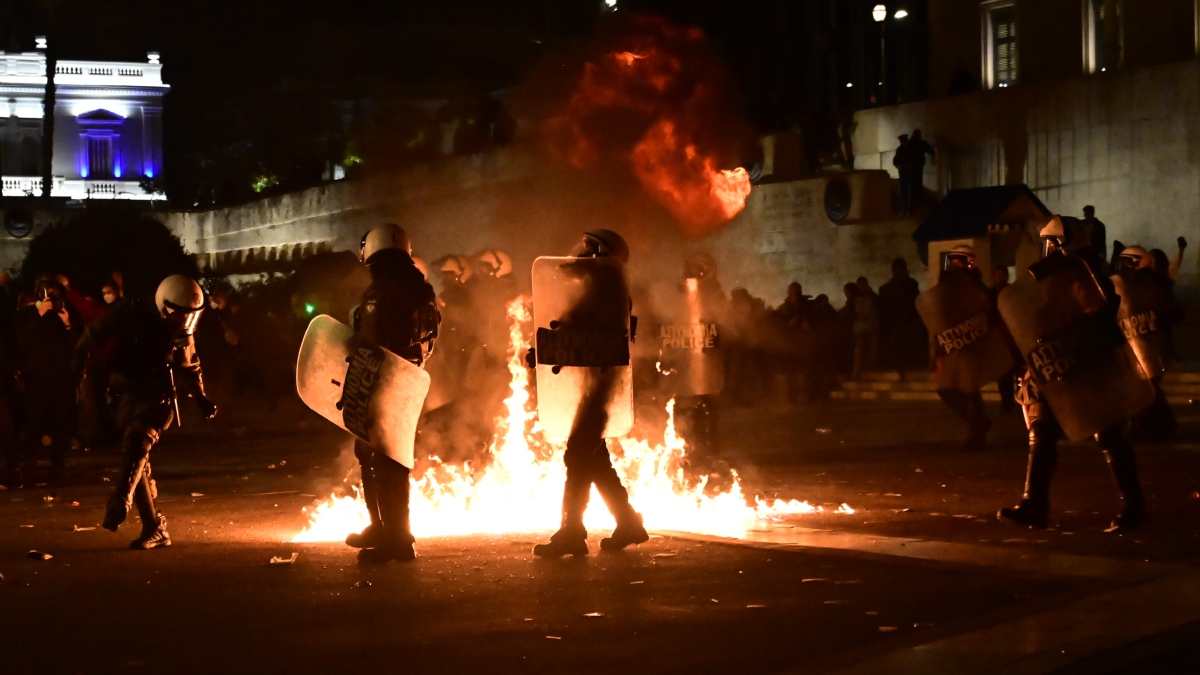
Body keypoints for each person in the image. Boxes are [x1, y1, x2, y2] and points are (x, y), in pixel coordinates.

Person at [999, 217, 1147, 531]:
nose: (1047, 249)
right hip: (1060, 364)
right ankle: (1034, 504)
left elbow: (1098, 312)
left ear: (1060, 242)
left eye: (1050, 243)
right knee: (1042, 430)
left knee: (1109, 434)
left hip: (1088, 364)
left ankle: (1133, 506)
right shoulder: (1058, 274)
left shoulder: (1084, 271)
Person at [75, 275, 218, 549]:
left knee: (137, 443)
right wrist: (79, 358)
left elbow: (189, 366)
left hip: (157, 397)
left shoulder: (181, 333)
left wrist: (200, 396)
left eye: (191, 316)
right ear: (164, 305)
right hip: (125, 393)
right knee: (136, 460)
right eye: (180, 314)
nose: (184, 322)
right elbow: (95, 332)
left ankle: (121, 499)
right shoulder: (129, 314)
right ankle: (155, 527)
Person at [530, 229, 649, 558]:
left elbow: (588, 340)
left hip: (597, 388)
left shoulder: (606, 291)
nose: (578, 254)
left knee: (578, 456)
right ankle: (628, 523)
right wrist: (546, 350)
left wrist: (552, 347)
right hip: (591, 386)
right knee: (595, 459)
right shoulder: (605, 289)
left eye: (587, 249)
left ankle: (572, 533)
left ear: (600, 255)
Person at [345, 223, 440, 563]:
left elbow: (373, 344)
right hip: (410, 378)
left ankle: (396, 540)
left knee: (382, 460)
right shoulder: (420, 288)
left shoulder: (380, 292)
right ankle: (383, 527)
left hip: (384, 381)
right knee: (383, 456)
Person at [924, 247, 995, 450]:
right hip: (950, 345)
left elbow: (985, 314)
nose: (955, 264)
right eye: (952, 260)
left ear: (969, 262)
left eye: (959, 260)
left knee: (969, 390)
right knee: (946, 390)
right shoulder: (946, 286)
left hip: (971, 346)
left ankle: (976, 435)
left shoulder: (977, 287)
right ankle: (978, 423)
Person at [16, 277, 81, 483]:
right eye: (47, 294)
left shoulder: (65, 313)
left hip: (61, 378)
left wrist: (68, 324)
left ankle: (58, 465)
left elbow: (78, 345)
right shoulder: (28, 315)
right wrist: (39, 314)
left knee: (61, 421)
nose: (51, 298)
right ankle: (31, 464)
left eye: (54, 294)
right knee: (34, 421)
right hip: (36, 378)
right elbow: (22, 342)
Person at [878, 258, 925, 380]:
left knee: (901, 345)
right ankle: (903, 366)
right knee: (899, 345)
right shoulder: (909, 284)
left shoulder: (906, 284)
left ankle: (904, 366)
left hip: (903, 320)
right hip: (900, 320)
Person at [989, 265, 1018, 414]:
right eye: (997, 275)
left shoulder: (1012, 292)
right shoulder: (991, 294)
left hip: (1013, 337)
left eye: (1001, 275)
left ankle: (1019, 402)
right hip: (1000, 338)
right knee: (1004, 376)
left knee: (1017, 374)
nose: (999, 278)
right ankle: (1007, 404)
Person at [896, 130, 935, 216]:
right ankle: (909, 210)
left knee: (909, 191)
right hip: (911, 172)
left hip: (910, 172)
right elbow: (929, 151)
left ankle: (909, 210)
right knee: (912, 190)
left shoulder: (910, 146)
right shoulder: (915, 145)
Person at [851, 277, 880, 380]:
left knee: (873, 350)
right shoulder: (854, 298)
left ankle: (872, 369)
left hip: (871, 326)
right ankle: (858, 372)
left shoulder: (871, 297)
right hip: (860, 328)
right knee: (859, 351)